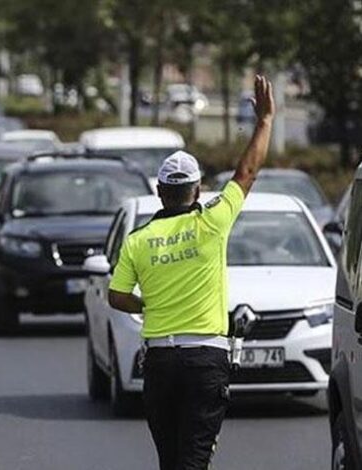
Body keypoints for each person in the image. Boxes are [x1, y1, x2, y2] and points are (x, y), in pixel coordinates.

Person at [108, 75, 275, 469]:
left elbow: (116, 296)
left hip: (161, 364)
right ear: (197, 191)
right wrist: (265, 122)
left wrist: (148, 303)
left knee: (171, 461)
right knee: (194, 460)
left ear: (161, 192)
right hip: (206, 360)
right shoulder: (214, 222)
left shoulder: (138, 239)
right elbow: (247, 172)